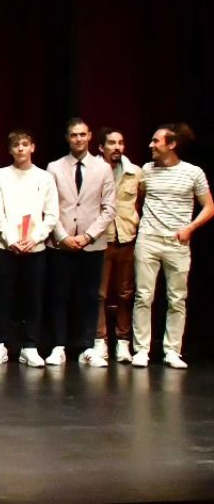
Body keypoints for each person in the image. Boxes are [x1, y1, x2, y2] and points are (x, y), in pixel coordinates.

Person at [131, 123, 213, 368]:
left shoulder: (193, 172)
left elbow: (209, 207)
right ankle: (141, 350)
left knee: (177, 298)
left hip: (177, 243)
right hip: (148, 240)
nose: (151, 145)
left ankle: (172, 351)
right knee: (143, 296)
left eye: (156, 141)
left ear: (172, 144)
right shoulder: (147, 170)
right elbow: (138, 200)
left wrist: (189, 228)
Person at [0, 130, 59, 368]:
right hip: (6, 247)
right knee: (4, 297)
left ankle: (30, 346)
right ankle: (1, 344)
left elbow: (51, 215)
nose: (20, 149)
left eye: (25, 144)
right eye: (16, 145)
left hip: (34, 248)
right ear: (9, 150)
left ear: (32, 147)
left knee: (33, 297)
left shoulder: (44, 177)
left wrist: (35, 238)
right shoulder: (0, 176)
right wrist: (10, 240)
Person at [46, 119, 115, 368]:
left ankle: (87, 346)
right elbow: (49, 206)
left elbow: (109, 208)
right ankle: (58, 346)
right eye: (74, 135)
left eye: (82, 134)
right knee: (59, 295)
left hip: (92, 244)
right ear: (67, 138)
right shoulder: (54, 167)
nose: (78, 139)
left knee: (89, 296)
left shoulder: (103, 168)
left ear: (90, 136)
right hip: (61, 244)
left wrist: (88, 236)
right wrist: (63, 236)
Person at [96, 127, 141, 364]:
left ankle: (123, 341)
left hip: (126, 239)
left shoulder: (135, 173)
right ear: (101, 147)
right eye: (112, 143)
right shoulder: (94, 170)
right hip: (101, 239)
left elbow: (141, 201)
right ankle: (100, 340)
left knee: (125, 293)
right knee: (99, 293)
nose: (117, 147)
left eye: (120, 143)